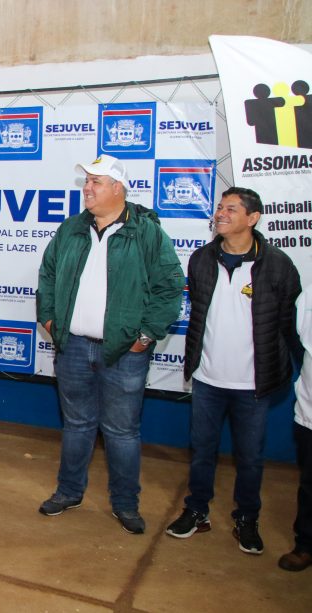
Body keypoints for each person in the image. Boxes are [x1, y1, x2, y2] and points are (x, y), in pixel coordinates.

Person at [36, 154, 184, 534]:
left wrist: (146, 336)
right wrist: (50, 318)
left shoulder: (147, 232)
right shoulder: (70, 229)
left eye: (96, 182)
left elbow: (170, 288)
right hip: (72, 349)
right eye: (86, 182)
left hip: (123, 353)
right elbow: (48, 275)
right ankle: (68, 491)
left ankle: (125, 504)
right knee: (77, 425)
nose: (87, 188)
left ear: (118, 188)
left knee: (121, 431)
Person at [165, 187, 301, 554]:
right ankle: (197, 511)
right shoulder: (201, 259)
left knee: (251, 458)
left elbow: (289, 323)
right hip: (208, 378)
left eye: (231, 208)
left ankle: (247, 518)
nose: (221, 213)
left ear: (253, 218)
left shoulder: (277, 265)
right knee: (202, 451)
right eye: (220, 207)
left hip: (252, 383)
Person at [280, 285, 312, 571]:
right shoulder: (309, 295)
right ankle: (305, 545)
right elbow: (296, 339)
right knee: (309, 485)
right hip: (310, 412)